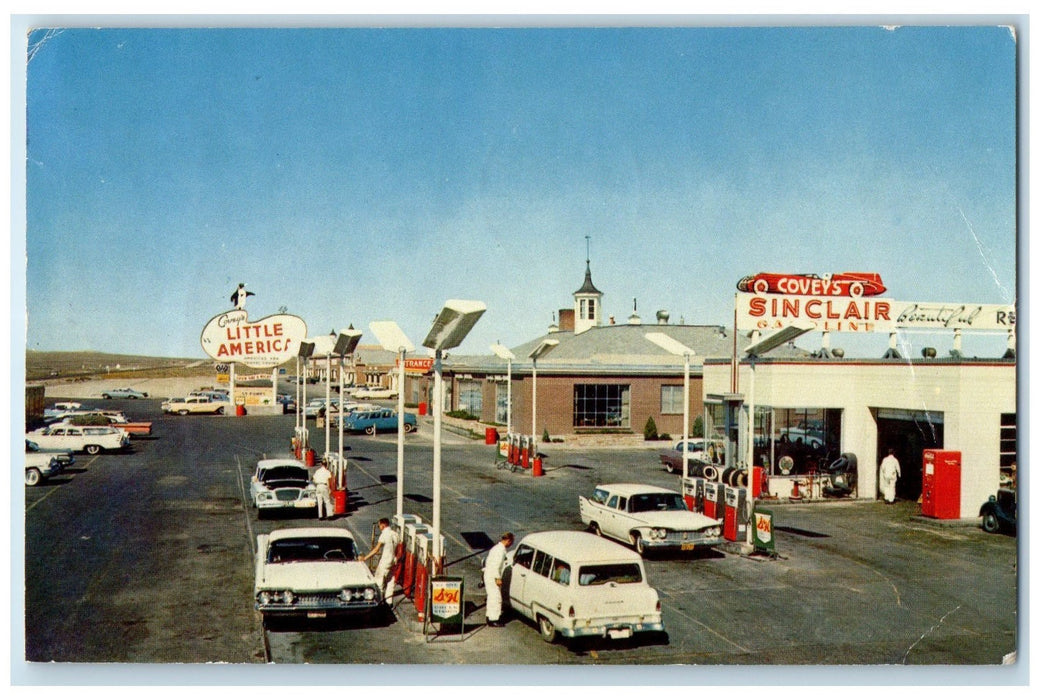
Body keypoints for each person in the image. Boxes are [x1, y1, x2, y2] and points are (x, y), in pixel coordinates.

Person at [361, 518, 400, 601]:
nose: (379, 528)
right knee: (390, 580)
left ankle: (379, 600)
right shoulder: (395, 534)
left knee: (379, 581)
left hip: (385, 561)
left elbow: (376, 550)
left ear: (383, 525)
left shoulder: (384, 534)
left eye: (379, 526)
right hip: (393, 561)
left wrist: (365, 558)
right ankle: (389, 601)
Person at [483, 532, 514, 627]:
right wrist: (497, 578)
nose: (511, 545)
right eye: (511, 542)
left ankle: (489, 617)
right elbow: (496, 566)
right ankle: (494, 619)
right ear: (508, 540)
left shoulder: (496, 548)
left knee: (491, 597)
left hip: (488, 575)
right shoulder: (500, 551)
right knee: (496, 598)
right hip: (493, 576)